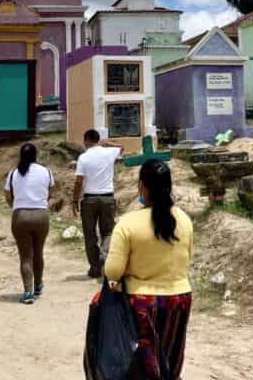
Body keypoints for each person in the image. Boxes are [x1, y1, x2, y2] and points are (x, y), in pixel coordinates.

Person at [105, 160, 193, 380]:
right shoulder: (183, 219)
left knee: (143, 368)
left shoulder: (128, 223)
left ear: (142, 186)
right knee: (170, 364)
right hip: (179, 300)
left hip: (142, 303)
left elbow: (113, 271)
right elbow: (186, 257)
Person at [4, 142, 54, 304]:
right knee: (38, 252)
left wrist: (16, 206)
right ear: (35, 155)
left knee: (25, 256)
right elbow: (50, 192)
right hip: (41, 215)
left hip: (20, 216)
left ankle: (27, 292)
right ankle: (39, 285)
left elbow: (7, 195)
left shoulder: (14, 173)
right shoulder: (46, 171)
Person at [72, 129, 122, 278]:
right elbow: (122, 148)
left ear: (86, 140)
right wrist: (107, 144)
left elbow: (79, 181)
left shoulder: (83, 157)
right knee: (108, 231)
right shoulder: (109, 152)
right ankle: (104, 254)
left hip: (89, 199)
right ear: (98, 140)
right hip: (107, 198)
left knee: (90, 234)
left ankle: (95, 267)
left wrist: (74, 200)